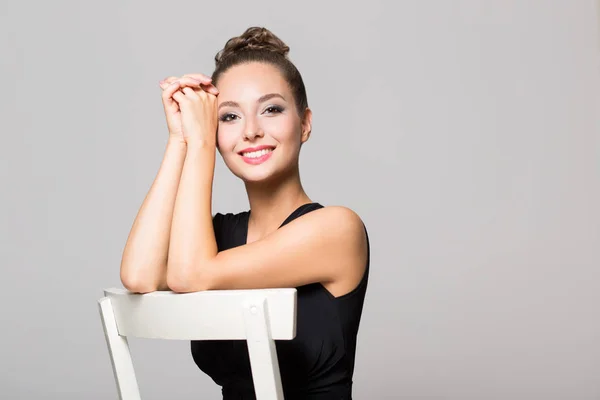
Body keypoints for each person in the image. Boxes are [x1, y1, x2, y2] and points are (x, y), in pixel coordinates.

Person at [119, 26, 370, 400]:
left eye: (271, 109)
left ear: (304, 124)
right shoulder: (213, 240)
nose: (251, 131)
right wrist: (180, 140)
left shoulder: (337, 229)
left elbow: (190, 274)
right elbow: (138, 275)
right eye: (229, 117)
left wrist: (203, 142)